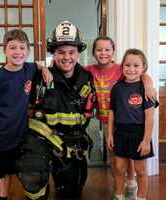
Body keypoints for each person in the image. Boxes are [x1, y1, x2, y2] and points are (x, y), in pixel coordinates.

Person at [15, 20, 95, 200]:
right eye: (61, 52)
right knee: (32, 170)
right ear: (53, 53)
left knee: (72, 189)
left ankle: (62, 177)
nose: (67, 57)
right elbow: (10, 88)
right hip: (41, 138)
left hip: (71, 142)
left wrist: (145, 78)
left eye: (71, 52)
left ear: (78, 52)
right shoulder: (39, 77)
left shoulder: (88, 78)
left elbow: (125, 74)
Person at [0, 29, 52, 200]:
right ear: (5, 51)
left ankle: (4, 197)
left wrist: (45, 69)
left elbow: (38, 65)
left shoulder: (29, 69)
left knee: (9, 171)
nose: (18, 52)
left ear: (28, 51)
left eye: (22, 48)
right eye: (13, 48)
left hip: (16, 135)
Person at [85, 36, 156, 200]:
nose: (103, 53)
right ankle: (119, 191)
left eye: (107, 49)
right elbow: (71, 67)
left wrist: (148, 84)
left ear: (113, 51)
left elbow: (141, 74)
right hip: (109, 119)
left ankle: (131, 186)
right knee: (117, 162)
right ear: (94, 52)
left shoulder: (120, 69)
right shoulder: (89, 70)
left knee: (133, 160)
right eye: (99, 49)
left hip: (131, 122)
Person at [106, 48, 157, 200]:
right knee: (119, 169)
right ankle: (119, 195)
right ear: (122, 67)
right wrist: (109, 134)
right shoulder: (117, 88)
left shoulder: (146, 89)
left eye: (136, 66)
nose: (131, 69)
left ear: (143, 68)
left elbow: (150, 117)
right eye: (127, 65)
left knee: (141, 171)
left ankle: (140, 197)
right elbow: (112, 113)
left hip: (139, 134)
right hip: (120, 133)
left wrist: (146, 140)